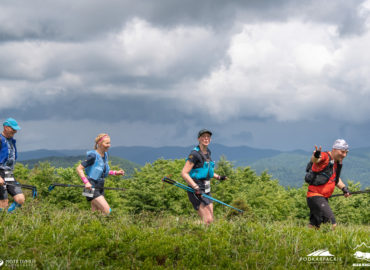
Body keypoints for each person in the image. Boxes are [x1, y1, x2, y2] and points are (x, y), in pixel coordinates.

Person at [181, 129, 227, 225]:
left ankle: (204, 235)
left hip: (206, 188)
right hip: (196, 188)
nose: (206, 138)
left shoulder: (208, 152)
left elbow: (206, 171)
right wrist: (195, 187)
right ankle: (192, 231)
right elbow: (184, 173)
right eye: (203, 137)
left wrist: (219, 177)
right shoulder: (194, 154)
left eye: (208, 137)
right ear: (199, 139)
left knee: (210, 220)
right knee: (207, 220)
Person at [305, 139, 351, 230]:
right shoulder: (326, 156)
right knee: (331, 223)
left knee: (314, 226)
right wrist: (316, 155)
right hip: (316, 197)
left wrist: (344, 189)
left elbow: (336, 180)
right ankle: (332, 243)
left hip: (322, 198)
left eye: (346, 152)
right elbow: (316, 160)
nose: (344, 155)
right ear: (334, 149)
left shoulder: (336, 162)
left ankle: (303, 242)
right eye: (342, 152)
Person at [76, 133, 124, 214]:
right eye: (107, 143)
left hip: (100, 186)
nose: (109, 145)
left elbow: (100, 171)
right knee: (108, 211)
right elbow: (79, 168)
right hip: (90, 187)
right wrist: (86, 183)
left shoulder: (105, 155)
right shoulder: (93, 156)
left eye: (109, 143)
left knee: (97, 215)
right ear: (99, 143)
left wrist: (116, 173)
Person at [0, 118, 25, 213]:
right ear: (6, 127)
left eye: (16, 129)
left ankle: (7, 215)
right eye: (13, 129)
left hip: (8, 173)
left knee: (20, 199)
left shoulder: (12, 141)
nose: (15, 131)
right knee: (3, 202)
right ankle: (3, 222)